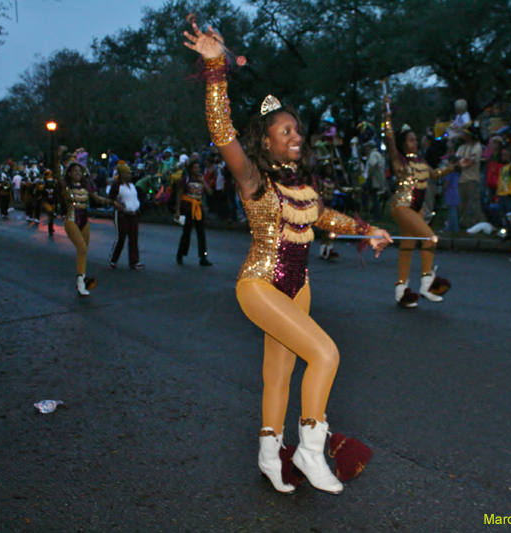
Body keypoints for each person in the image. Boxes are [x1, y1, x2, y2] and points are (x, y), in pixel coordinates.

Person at [184, 22, 392, 494]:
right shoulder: (252, 178)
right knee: (325, 353)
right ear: (266, 141)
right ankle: (310, 450)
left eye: (297, 129)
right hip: (259, 285)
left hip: (298, 288)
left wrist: (370, 230)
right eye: (285, 130)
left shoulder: (303, 186)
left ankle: (268, 455)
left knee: (277, 375)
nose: (296, 135)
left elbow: (326, 217)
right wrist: (216, 68)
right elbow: (222, 130)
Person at [383, 94, 455, 307]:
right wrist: (386, 116)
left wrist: (457, 166)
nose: (415, 142)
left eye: (416, 139)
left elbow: (434, 175)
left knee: (407, 248)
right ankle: (427, 282)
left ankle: (401, 290)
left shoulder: (421, 160)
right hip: (402, 206)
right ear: (403, 143)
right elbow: (388, 139)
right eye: (411, 139)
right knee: (429, 238)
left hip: (418, 209)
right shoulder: (399, 161)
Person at [54, 146, 120, 296]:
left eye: (80, 171)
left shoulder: (85, 187)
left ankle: (80, 282)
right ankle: (80, 282)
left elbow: (97, 198)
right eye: (75, 171)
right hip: (71, 220)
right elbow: (57, 175)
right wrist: (58, 156)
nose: (78, 173)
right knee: (82, 248)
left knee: (83, 252)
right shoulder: (66, 187)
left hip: (84, 221)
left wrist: (112, 203)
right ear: (69, 173)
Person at [175, 156, 213, 266]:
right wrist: (177, 210)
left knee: (201, 233)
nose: (197, 169)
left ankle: (203, 257)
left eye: (198, 167)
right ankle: (180, 254)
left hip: (198, 209)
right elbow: (179, 194)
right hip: (187, 209)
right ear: (190, 169)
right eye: (195, 167)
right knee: (186, 233)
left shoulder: (201, 179)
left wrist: (203, 181)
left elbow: (210, 192)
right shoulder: (186, 179)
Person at [108, 161, 145, 270]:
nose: (129, 175)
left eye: (129, 173)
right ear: (122, 174)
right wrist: (117, 204)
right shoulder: (117, 186)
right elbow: (110, 199)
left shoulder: (132, 185)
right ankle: (113, 259)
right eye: (127, 173)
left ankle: (134, 262)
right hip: (122, 215)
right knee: (121, 237)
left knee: (133, 238)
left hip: (133, 214)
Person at [455, 125, 483, 229]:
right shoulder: (462, 147)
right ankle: (463, 223)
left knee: (474, 203)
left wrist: (459, 163)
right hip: (462, 179)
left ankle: (476, 224)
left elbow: (469, 162)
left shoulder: (477, 147)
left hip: (472, 178)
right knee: (463, 204)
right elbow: (456, 160)